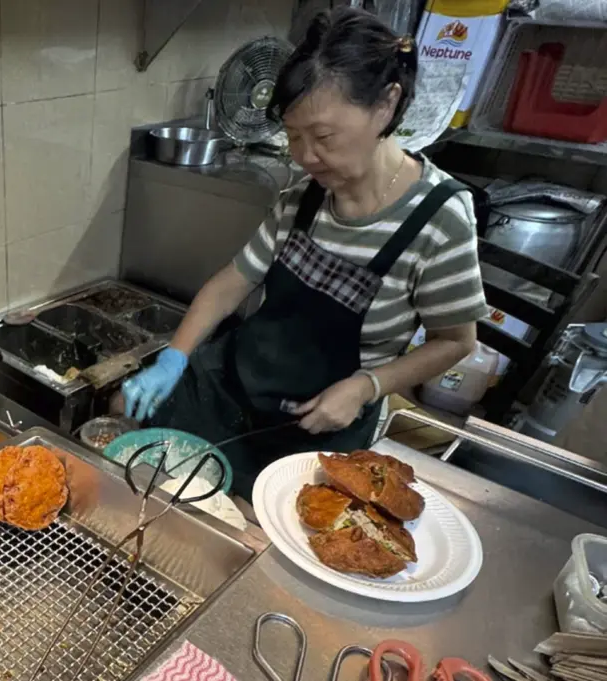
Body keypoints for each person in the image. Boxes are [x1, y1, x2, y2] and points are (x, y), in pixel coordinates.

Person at [120, 7, 488, 500]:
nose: (305, 155)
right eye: (293, 136)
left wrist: (367, 387)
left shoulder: (440, 219)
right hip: (235, 388)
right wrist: (175, 356)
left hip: (320, 425)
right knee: (144, 479)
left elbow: (456, 341)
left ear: (386, 105)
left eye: (324, 137)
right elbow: (234, 280)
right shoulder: (304, 194)